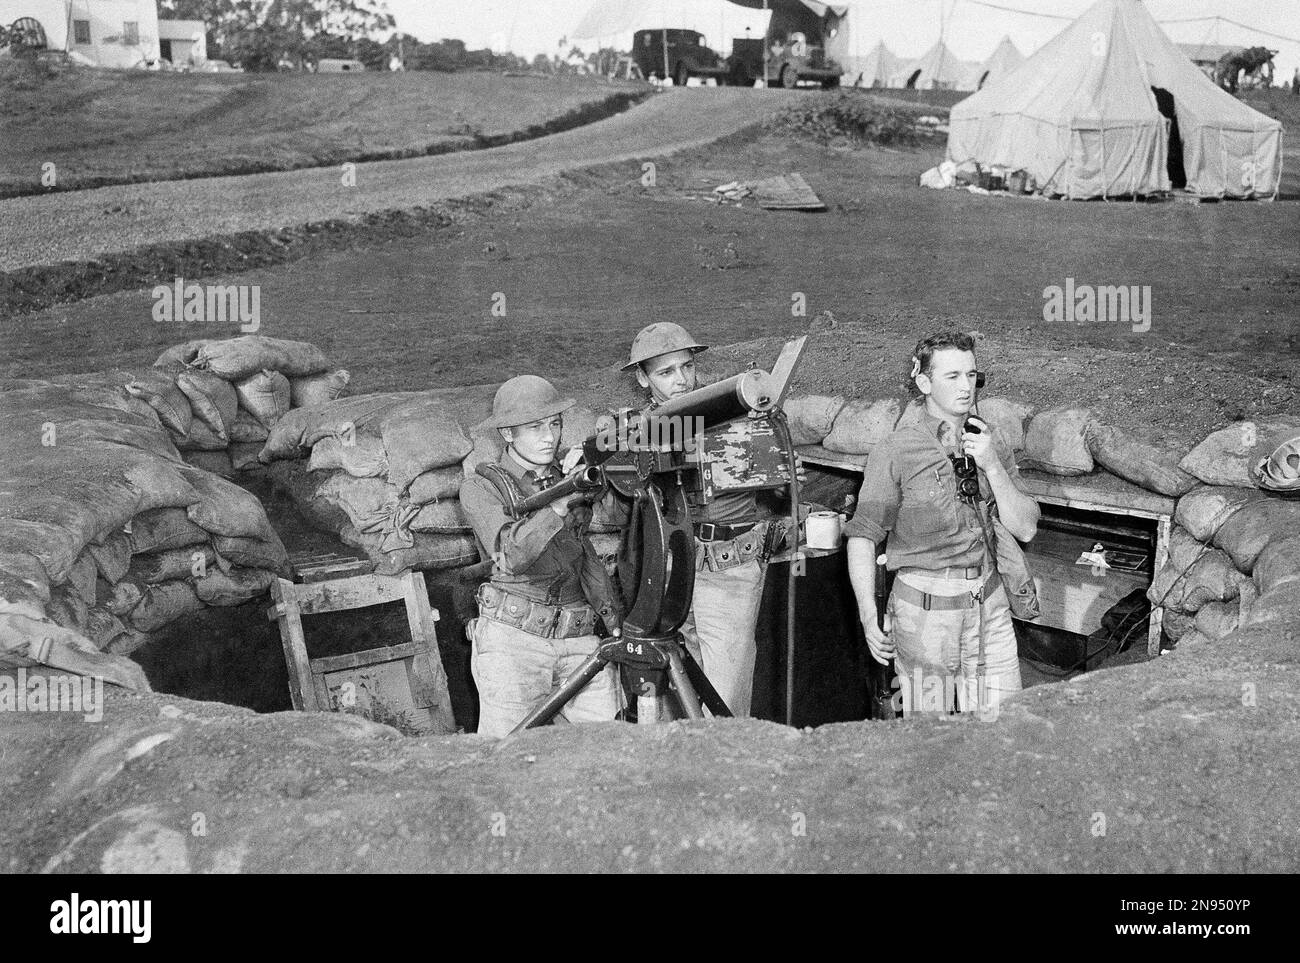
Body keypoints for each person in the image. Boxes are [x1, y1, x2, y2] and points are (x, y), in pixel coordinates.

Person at [844, 332, 1039, 716]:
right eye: (952, 376)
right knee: (929, 742)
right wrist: (868, 615)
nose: (965, 386)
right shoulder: (897, 449)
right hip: (925, 618)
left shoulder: (989, 441)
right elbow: (863, 537)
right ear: (924, 383)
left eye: (971, 375)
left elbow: (1027, 528)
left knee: (1002, 733)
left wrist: (992, 465)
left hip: (989, 608)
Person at [620, 322, 772, 717]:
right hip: (675, 572)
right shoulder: (641, 429)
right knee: (676, 693)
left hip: (728, 568)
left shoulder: (729, 412)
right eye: (666, 372)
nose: (682, 380)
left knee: (723, 700)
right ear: (642, 378)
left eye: (686, 367)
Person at [460, 375, 623, 737]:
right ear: (507, 434)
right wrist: (560, 504)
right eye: (534, 428)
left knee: (609, 749)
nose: (549, 437)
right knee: (510, 759)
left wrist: (611, 472)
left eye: (554, 424)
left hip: (581, 636)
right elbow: (510, 553)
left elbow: (621, 520)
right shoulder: (481, 487)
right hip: (514, 642)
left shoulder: (572, 473)